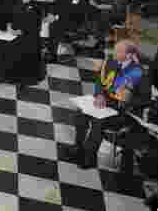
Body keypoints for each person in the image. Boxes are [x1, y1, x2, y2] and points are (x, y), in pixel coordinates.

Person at [61, 39, 144, 169]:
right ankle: (78, 147)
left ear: (128, 55)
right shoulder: (111, 61)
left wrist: (128, 100)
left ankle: (90, 156)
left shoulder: (139, 72)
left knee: (98, 121)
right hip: (103, 101)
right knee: (80, 113)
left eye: (118, 51)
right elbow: (99, 80)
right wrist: (99, 94)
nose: (114, 52)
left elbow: (144, 99)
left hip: (121, 110)